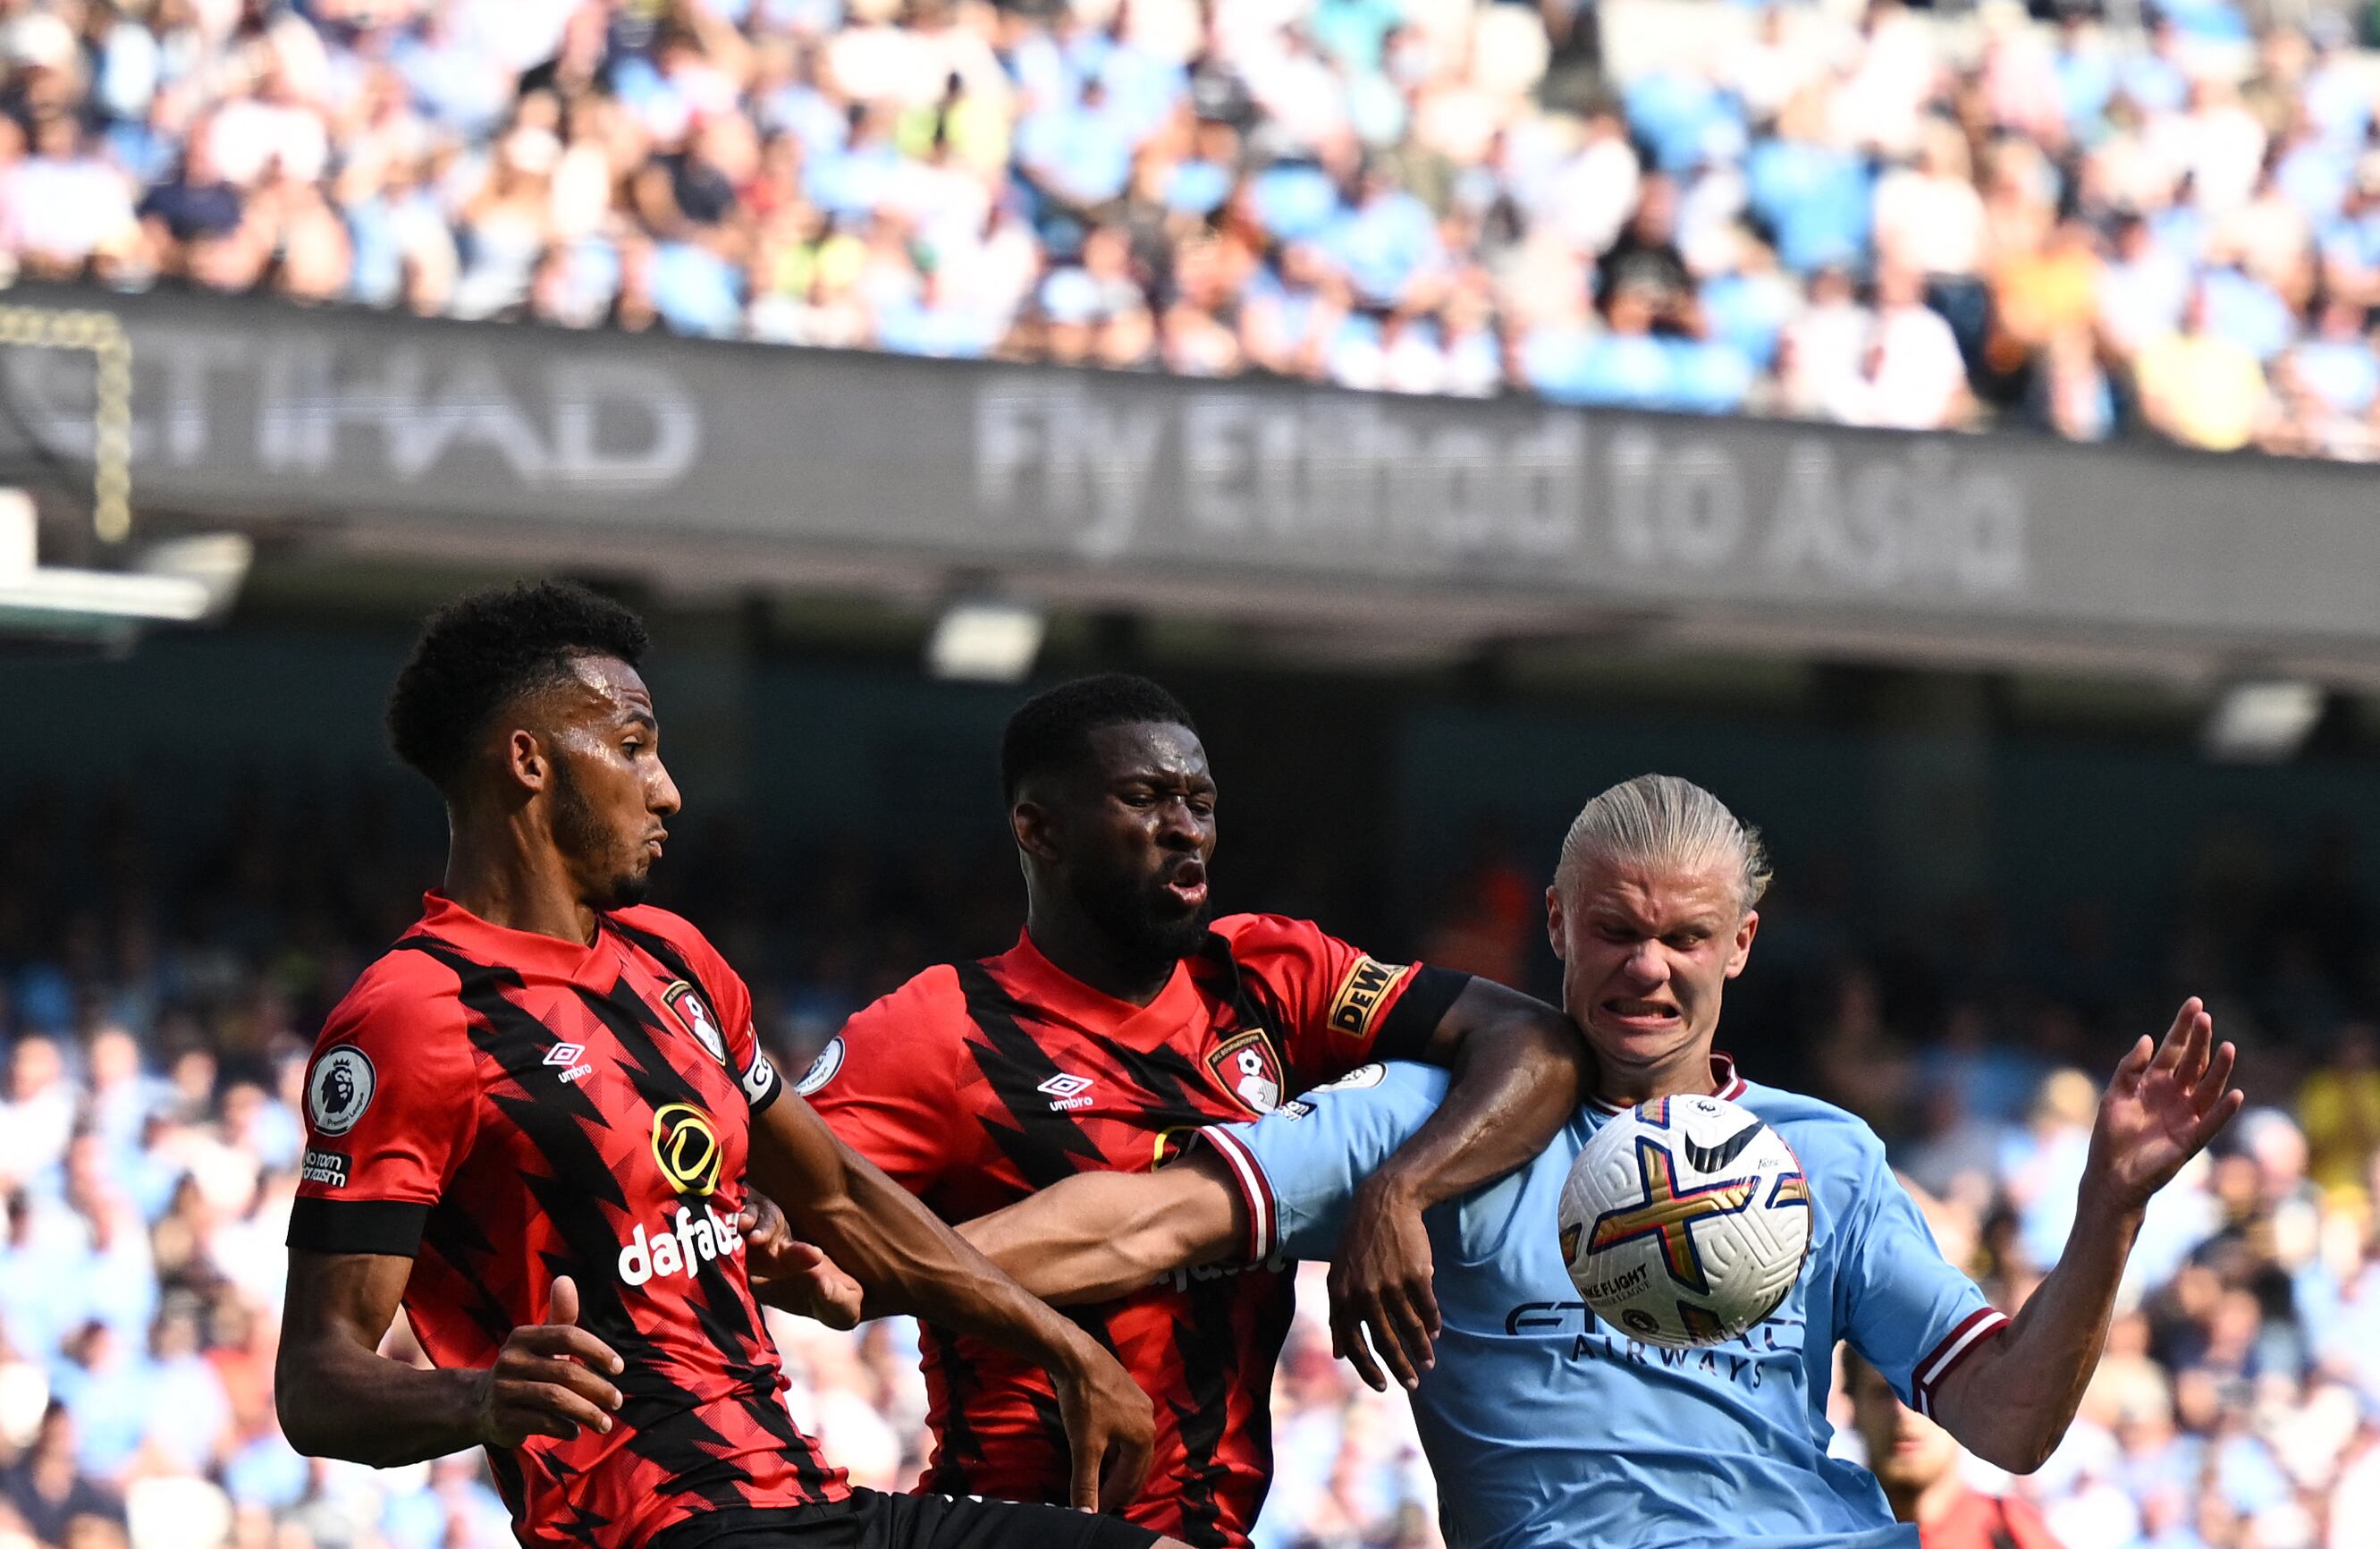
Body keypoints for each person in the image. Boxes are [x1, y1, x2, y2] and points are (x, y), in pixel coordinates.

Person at [959, 774, 2241, 1549]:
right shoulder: (1417, 1118)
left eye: (1685, 936)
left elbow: (2008, 1422)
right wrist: (875, 1265)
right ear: (1558, 926)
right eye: (1616, 929)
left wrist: (2110, 1209)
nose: (1647, 966)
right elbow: (1146, 1221)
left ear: (1740, 945)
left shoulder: (1827, 1157)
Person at [274, 582, 1182, 1549]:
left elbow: (835, 1192)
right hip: (658, 1527)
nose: (665, 787)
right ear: (529, 761)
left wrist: (1062, 1345)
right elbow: (314, 1380)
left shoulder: (671, 958)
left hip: (811, 1499)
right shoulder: (417, 1012)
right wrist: (482, 1398)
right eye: (632, 746)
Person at [802, 674, 1587, 1546]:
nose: (1185, 828)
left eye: (1199, 803)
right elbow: (793, 1223)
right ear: (1039, 827)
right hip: (1019, 1520)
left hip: (1212, 1526)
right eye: (1143, 798)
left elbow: (1533, 1042)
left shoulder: (1273, 975)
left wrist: (1400, 1189)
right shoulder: (936, 1030)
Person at [1844, 1351, 2064, 1549]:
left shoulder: (2014, 1535)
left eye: (1923, 1393)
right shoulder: (1824, 1532)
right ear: (1853, 1409)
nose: (1903, 1412)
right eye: (1884, 1393)